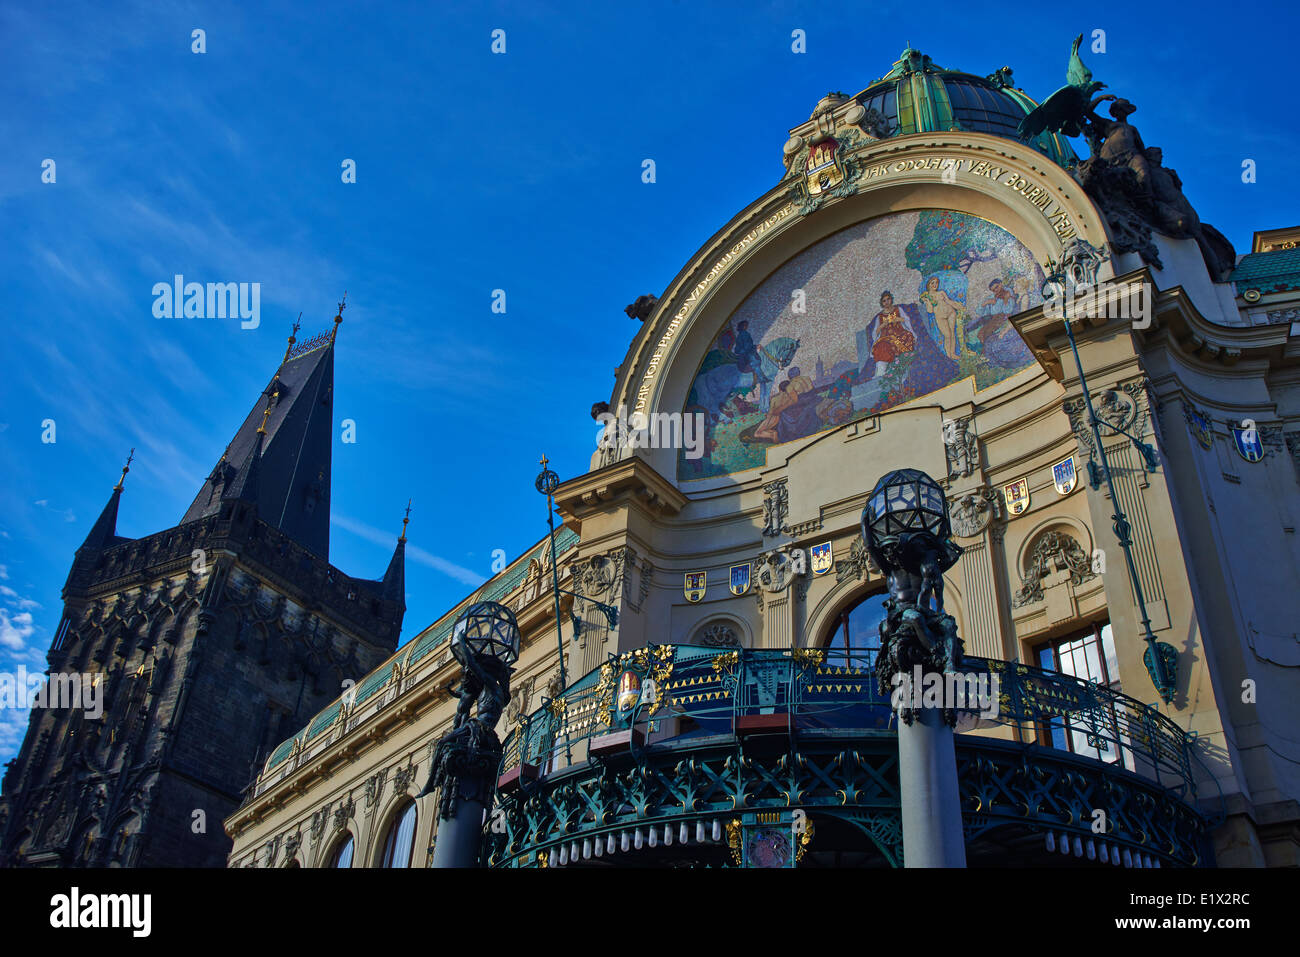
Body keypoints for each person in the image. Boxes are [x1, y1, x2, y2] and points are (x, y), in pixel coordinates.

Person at [919, 276, 963, 358]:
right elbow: (930, 311)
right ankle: (948, 355)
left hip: (951, 313)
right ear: (928, 285)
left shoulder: (941, 292)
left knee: (952, 333)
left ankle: (952, 353)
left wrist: (959, 307)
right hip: (940, 317)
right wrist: (928, 301)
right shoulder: (927, 297)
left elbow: (948, 301)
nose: (935, 285)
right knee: (947, 335)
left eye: (936, 283)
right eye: (933, 283)